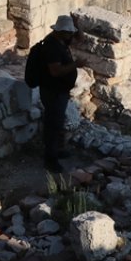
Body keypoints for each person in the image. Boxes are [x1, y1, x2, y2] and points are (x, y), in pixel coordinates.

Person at [33, 15, 80, 173]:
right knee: (52, 124)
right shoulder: (52, 47)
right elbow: (56, 71)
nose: (71, 35)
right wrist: (75, 64)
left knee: (57, 122)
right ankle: (50, 159)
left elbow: (78, 39)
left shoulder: (60, 41)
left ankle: (57, 150)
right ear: (61, 32)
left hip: (60, 91)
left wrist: (76, 26)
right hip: (52, 92)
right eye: (69, 32)